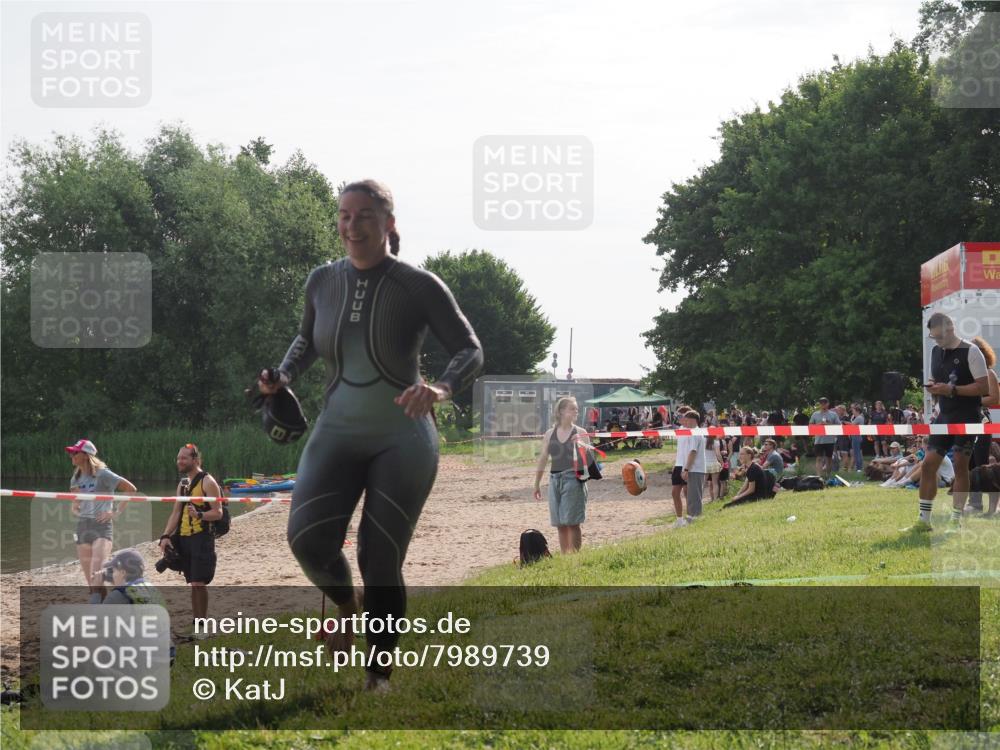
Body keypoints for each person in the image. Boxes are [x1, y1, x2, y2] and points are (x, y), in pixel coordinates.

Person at [259, 180, 483, 692]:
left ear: (388, 224)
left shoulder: (418, 285)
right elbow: (305, 337)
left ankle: (378, 672)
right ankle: (346, 605)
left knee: (378, 557)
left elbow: (470, 349)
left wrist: (442, 388)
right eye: (343, 214)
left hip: (403, 438)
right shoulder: (321, 281)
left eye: (364, 215)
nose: (351, 224)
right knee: (306, 540)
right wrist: (283, 375)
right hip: (336, 431)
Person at [907, 313, 989, 532]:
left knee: (961, 467)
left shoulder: (971, 351)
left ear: (950, 329)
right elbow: (940, 380)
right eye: (934, 338)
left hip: (967, 418)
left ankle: (955, 520)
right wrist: (935, 386)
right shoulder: (936, 352)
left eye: (939, 337)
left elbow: (983, 388)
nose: (937, 342)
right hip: (944, 417)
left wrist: (952, 390)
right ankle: (924, 521)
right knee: (927, 465)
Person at [158, 443, 224, 638]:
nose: (179, 461)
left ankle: (201, 627)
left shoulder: (208, 482)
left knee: (198, 583)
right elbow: (176, 512)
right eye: (178, 458)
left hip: (202, 538)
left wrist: (200, 515)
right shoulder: (184, 483)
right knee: (193, 583)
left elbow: (218, 513)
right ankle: (196, 625)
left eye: (184, 458)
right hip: (184, 538)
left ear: (195, 460)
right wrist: (165, 536)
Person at [66, 439, 137, 603]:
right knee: (92, 583)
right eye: (71, 452)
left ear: (86, 455)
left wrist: (115, 511)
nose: (71, 455)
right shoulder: (75, 478)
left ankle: (98, 613)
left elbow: (131, 489)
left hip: (102, 527)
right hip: (83, 527)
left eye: (74, 452)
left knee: (96, 574)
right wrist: (75, 507)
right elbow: (76, 502)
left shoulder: (103, 474)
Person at [533, 397, 593, 554]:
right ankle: (565, 556)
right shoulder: (549, 433)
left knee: (572, 522)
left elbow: (590, 461)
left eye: (576, 408)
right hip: (554, 480)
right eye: (572, 408)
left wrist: (581, 445)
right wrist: (537, 484)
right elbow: (543, 459)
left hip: (573, 479)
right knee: (560, 523)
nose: (576, 411)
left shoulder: (581, 432)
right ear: (561, 411)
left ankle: (575, 557)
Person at [968, 336, 1000, 513]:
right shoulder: (968, 375)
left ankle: (991, 506)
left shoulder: (989, 374)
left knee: (981, 463)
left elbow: (995, 398)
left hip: (982, 422)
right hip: (966, 421)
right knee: (969, 463)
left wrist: (973, 400)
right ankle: (975, 503)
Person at [677, 409, 707, 522]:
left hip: (695, 468)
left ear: (693, 420)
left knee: (694, 495)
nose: (685, 422)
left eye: (687, 420)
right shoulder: (694, 432)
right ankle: (691, 517)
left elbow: (693, 452)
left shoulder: (695, 433)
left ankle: (694, 518)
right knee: (691, 494)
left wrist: (686, 469)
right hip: (695, 468)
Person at [809, 398, 840, 479]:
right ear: (819, 404)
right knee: (818, 458)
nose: (823, 405)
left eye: (825, 403)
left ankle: (828, 475)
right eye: (821, 403)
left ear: (828, 404)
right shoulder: (815, 414)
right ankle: (819, 476)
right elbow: (810, 426)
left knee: (829, 458)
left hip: (830, 440)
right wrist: (819, 425)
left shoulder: (833, 414)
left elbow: (839, 426)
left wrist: (828, 424)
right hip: (818, 440)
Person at [705, 436, 723, 502]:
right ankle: (715, 500)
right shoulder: (716, 442)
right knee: (715, 483)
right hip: (714, 464)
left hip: (705, 464)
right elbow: (718, 454)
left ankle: (699, 499)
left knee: (703, 483)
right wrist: (722, 462)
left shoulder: (703, 440)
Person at [850, 404, 866, 472]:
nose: (852, 412)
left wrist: (845, 422)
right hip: (856, 436)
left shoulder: (859, 418)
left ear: (857, 411)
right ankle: (859, 467)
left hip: (856, 436)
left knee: (857, 453)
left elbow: (852, 425)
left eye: (853, 410)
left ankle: (859, 468)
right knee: (857, 452)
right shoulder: (859, 417)